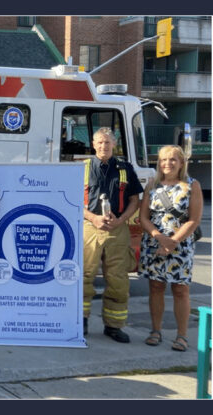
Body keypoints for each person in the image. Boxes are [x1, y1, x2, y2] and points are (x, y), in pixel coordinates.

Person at [82, 127, 143, 343]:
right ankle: (81, 321)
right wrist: (93, 218)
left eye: (107, 142)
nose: (103, 146)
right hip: (90, 227)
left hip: (118, 228)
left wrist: (121, 219)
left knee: (118, 280)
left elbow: (135, 200)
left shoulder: (125, 168)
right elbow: (71, 199)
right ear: (93, 143)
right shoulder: (83, 168)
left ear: (114, 145)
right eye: (99, 142)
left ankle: (114, 326)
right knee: (84, 277)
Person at [139, 145, 202, 352]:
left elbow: (193, 219)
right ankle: (155, 331)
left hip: (180, 246)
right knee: (155, 287)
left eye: (173, 159)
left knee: (180, 290)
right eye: (163, 160)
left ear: (182, 162)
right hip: (154, 243)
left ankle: (182, 335)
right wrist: (159, 238)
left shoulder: (192, 185)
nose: (167, 163)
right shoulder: (152, 185)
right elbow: (143, 218)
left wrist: (172, 242)